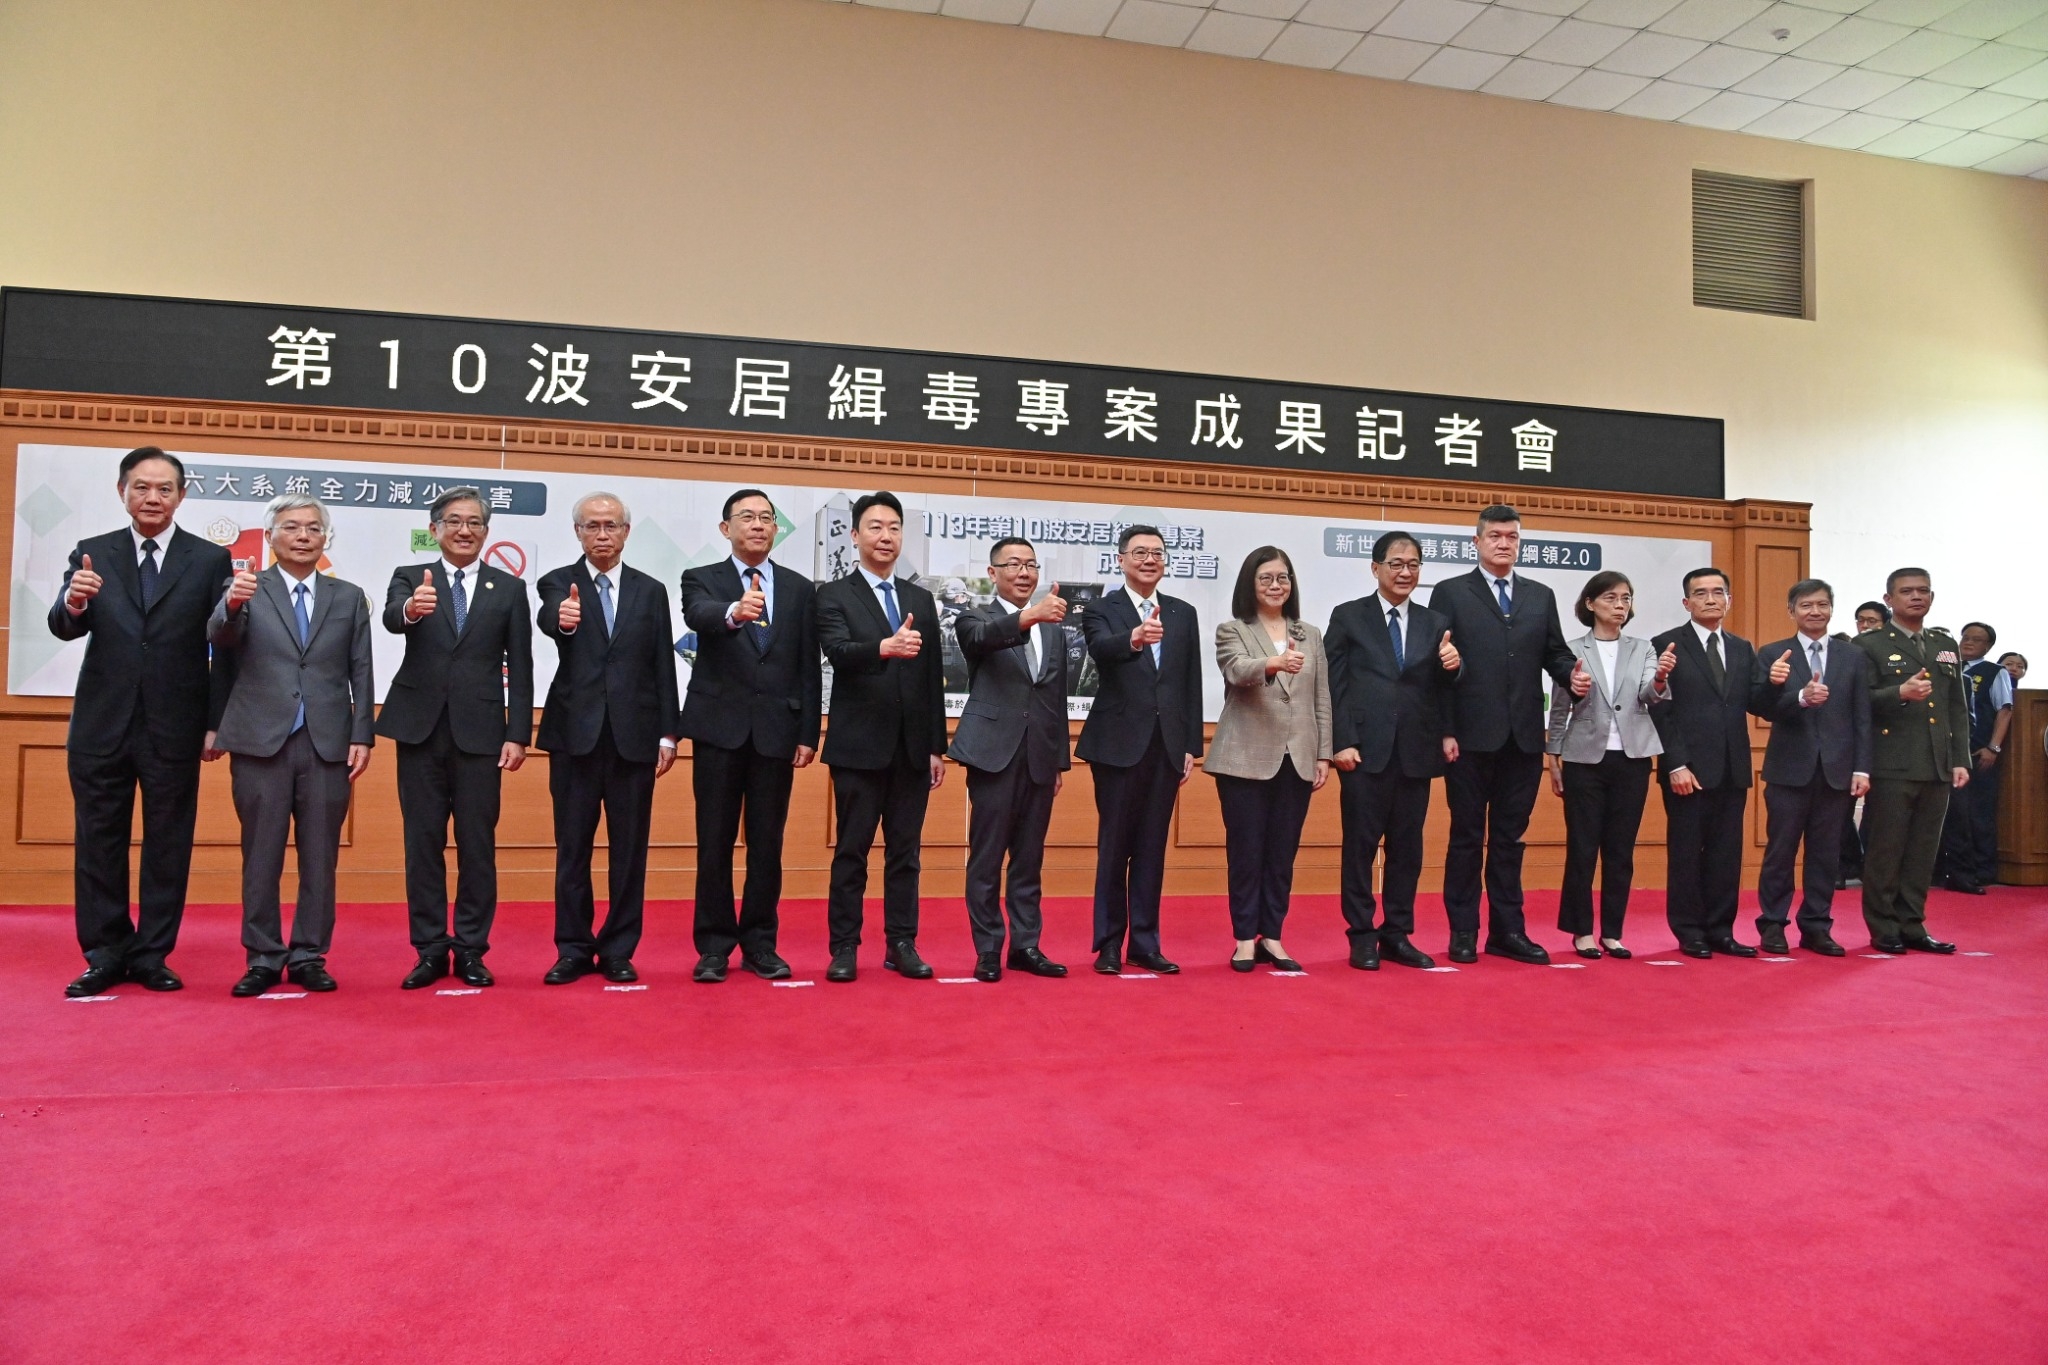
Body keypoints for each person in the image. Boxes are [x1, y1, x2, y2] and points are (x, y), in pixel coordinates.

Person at [49, 446, 234, 997]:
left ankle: (152, 954)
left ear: (181, 495)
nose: (152, 497)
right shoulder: (93, 552)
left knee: (168, 844)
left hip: (175, 724)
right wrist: (74, 601)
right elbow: (64, 625)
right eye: (141, 487)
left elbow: (225, 644)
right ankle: (104, 953)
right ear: (122, 492)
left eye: (164, 488)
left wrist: (215, 721)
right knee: (98, 843)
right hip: (101, 725)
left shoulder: (209, 559)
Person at [208, 494, 374, 995]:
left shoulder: (348, 596)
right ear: (270, 537)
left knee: (320, 857)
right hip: (261, 741)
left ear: (325, 538)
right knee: (261, 854)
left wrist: (361, 733)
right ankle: (262, 956)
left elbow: (361, 669)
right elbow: (220, 638)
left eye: (313, 528)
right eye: (291, 527)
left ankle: (308, 955)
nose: (303, 536)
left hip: (326, 742)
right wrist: (231, 605)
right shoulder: (245, 587)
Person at [376, 486, 534, 989]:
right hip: (419, 729)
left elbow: (522, 664)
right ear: (435, 529)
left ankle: (470, 949)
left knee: (477, 846)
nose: (465, 530)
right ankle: (428, 949)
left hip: (482, 734)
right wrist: (412, 609)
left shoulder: (508, 588)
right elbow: (392, 617)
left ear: (486, 531)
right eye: (454, 521)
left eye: (474, 523)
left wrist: (517, 733)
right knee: (422, 843)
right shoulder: (410, 577)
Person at [535, 493, 681, 986]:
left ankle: (619, 948)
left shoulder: (650, 590)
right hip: (574, 736)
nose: (602, 534)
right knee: (572, 849)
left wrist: (668, 733)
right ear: (577, 532)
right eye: (592, 526)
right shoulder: (559, 582)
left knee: (629, 851)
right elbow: (551, 617)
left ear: (626, 532)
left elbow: (662, 662)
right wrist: (563, 619)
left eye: (611, 525)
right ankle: (573, 949)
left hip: (634, 737)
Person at [1426, 505, 1581, 965]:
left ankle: (1508, 931)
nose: (1503, 543)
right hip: (1469, 737)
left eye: (1512, 537)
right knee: (1466, 837)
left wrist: (1572, 675)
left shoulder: (1540, 595)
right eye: (1495, 536)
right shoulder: (1451, 592)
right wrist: (1445, 729)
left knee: (1511, 839)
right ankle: (1463, 930)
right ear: (1476, 542)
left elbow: (1554, 653)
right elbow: (1437, 665)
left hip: (1524, 738)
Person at [678, 488, 820, 983]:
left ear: (776, 529)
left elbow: (807, 665)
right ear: (726, 529)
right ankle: (714, 946)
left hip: (777, 732)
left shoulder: (800, 588)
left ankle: (760, 943)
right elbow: (696, 614)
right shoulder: (701, 578)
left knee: (767, 844)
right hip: (718, 730)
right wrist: (733, 612)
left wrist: (808, 732)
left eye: (766, 518)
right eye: (747, 517)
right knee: (713, 842)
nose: (758, 525)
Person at [813, 492, 947, 983]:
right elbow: (838, 651)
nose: (885, 536)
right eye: (875, 527)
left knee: (905, 854)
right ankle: (844, 946)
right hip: (858, 747)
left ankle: (902, 943)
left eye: (893, 527)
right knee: (851, 852)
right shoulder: (833, 594)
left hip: (912, 750)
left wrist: (935, 746)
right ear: (854, 536)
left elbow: (931, 677)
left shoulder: (920, 599)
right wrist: (885, 647)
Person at [1325, 531, 1460, 971]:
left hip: (1416, 751)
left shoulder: (1435, 622)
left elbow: (1442, 689)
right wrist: (1341, 741)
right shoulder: (1348, 616)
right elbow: (1334, 685)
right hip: (1364, 751)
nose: (1405, 572)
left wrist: (1454, 669)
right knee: (1360, 848)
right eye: (1397, 564)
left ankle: (1397, 934)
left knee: (1407, 850)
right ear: (1375, 568)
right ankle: (1362, 935)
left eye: (1414, 564)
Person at [1077, 525, 1204, 976]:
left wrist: (1190, 745)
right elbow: (1100, 650)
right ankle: (1109, 944)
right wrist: (1134, 638)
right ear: (1121, 560)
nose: (1150, 560)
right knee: (1115, 848)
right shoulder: (1101, 609)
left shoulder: (1183, 612)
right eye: (1140, 553)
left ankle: (1145, 943)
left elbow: (1189, 682)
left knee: (1152, 849)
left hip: (1166, 746)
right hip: (1116, 746)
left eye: (1157, 553)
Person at [948, 538, 1072, 983]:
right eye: (1014, 564)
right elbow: (980, 641)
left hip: (1039, 756)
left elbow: (1055, 697)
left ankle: (1025, 945)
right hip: (992, 754)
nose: (1024, 572)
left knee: (1028, 858)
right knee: (986, 858)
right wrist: (1029, 616)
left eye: (1031, 565)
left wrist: (1059, 761)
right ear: (993, 572)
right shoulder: (975, 617)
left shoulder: (1054, 630)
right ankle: (987, 949)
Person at [1207, 547, 1331, 973]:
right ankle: (1245, 938)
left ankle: (1273, 937)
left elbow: (1321, 699)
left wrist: (1323, 753)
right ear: (1250, 584)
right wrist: (1274, 663)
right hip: (1243, 758)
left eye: (1283, 577)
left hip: (1298, 757)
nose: (1276, 585)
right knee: (1246, 852)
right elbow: (1237, 670)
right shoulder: (1233, 629)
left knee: (1282, 853)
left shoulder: (1309, 633)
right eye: (1266, 578)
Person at [1545, 571, 1674, 959]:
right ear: (1590, 603)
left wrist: (1661, 679)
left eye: (1626, 598)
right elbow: (1560, 708)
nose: (1620, 605)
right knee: (1582, 848)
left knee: (1620, 850)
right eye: (1611, 598)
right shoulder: (1572, 650)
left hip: (1633, 759)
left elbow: (1649, 695)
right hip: (1583, 759)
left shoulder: (1643, 649)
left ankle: (1613, 932)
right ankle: (1582, 931)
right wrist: (1553, 757)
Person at [1746, 579, 1871, 957]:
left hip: (1837, 770)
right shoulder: (1774, 653)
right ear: (1791, 612)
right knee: (1780, 851)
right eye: (1805, 605)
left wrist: (1862, 768)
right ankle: (1773, 923)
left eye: (1821, 604)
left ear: (1831, 608)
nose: (1814, 611)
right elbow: (1761, 707)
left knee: (1826, 855)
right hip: (1788, 770)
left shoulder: (1853, 656)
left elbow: (1862, 716)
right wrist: (1798, 696)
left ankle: (1817, 926)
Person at [1852, 568, 1969, 954]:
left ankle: (1913, 924)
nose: (1916, 597)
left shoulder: (1943, 644)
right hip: (1892, 762)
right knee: (1886, 850)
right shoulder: (1868, 644)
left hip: (1936, 763)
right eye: (1906, 591)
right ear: (1889, 600)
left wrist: (1959, 758)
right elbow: (1858, 702)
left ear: (1932, 597)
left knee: (1922, 852)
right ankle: (1884, 926)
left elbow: (1955, 706)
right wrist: (1899, 693)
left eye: (1923, 591)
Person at [1650, 568, 1758, 960]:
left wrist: (1795, 693)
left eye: (1718, 592)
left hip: (1732, 768)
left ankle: (1721, 930)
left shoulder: (1742, 648)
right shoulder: (1666, 644)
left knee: (1726, 855)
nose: (1710, 599)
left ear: (1729, 599)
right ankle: (1689, 931)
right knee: (1685, 853)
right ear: (1686, 602)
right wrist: (1675, 763)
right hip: (1688, 770)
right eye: (1700, 593)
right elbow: (1659, 711)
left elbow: (1758, 700)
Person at [1935, 622, 2014, 894]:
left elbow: (2005, 710)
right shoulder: (1948, 667)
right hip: (1945, 754)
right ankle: (1945, 869)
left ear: (1988, 646)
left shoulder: (1995, 672)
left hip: (1978, 752)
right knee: (1949, 815)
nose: (1968, 642)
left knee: (1977, 813)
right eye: (1965, 637)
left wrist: (1993, 747)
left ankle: (1982, 870)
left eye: (1977, 639)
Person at [1836, 600, 1893, 888]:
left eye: (1873, 621)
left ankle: (1872, 869)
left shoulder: (1893, 653)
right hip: (1850, 744)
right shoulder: (1848, 653)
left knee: (1882, 812)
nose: (1866, 625)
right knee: (1840, 810)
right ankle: (1842, 866)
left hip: (1886, 743)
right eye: (1861, 620)